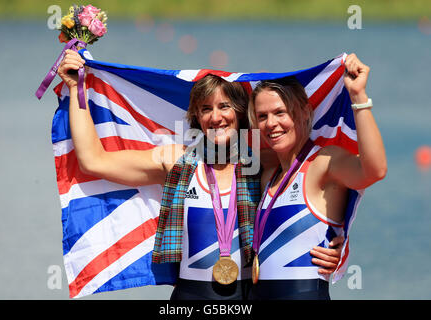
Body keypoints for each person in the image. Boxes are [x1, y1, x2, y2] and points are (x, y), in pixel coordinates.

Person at [57, 49, 344, 300]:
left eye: (224, 107)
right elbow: (93, 161)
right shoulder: (177, 160)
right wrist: (75, 87)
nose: (215, 117)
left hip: (249, 296)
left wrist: (338, 245)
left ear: (242, 112)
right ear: (197, 116)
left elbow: (321, 196)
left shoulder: (263, 163)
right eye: (206, 109)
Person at [247, 53, 387, 300]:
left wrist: (358, 96)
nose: (271, 123)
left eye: (281, 112)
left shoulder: (323, 163)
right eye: (262, 116)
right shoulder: (269, 174)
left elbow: (374, 170)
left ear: (303, 112)